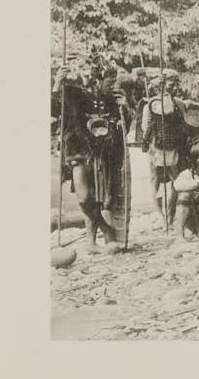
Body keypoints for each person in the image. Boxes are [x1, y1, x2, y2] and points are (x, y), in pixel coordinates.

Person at [52, 59, 131, 251]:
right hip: (78, 149)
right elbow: (54, 112)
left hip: (105, 151)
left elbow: (124, 127)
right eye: (110, 81)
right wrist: (56, 84)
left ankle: (92, 243)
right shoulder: (72, 92)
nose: (113, 85)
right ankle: (107, 230)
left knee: (101, 197)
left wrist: (125, 107)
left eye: (114, 81)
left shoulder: (113, 97)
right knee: (84, 197)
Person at [141, 70, 186, 224]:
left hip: (174, 145)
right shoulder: (152, 104)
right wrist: (163, 94)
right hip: (157, 146)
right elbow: (146, 126)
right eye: (171, 85)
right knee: (155, 179)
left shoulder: (178, 103)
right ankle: (161, 214)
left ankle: (171, 211)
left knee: (177, 179)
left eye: (177, 85)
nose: (175, 88)